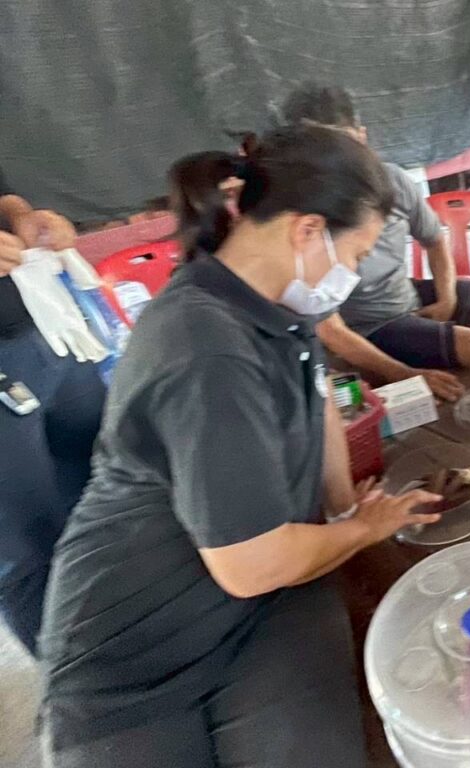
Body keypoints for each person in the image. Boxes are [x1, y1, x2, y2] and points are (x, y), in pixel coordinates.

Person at [38, 125, 441, 768]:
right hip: (138, 654)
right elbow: (249, 563)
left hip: (261, 612)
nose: (354, 274)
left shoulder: (277, 302)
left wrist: (344, 507)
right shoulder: (205, 345)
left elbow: (317, 400)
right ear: (308, 230)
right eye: (358, 254)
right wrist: (363, 530)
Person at [280, 83, 470, 402]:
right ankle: (468, 405)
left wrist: (446, 298)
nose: (343, 162)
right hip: (368, 326)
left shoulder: (391, 180)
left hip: (405, 297)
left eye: (346, 145)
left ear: (362, 136)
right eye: (327, 153)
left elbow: (435, 240)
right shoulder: (308, 218)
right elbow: (330, 330)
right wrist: (405, 374)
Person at [0, 168, 105, 655]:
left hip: (39, 331)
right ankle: (82, 686)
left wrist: (24, 218)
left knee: (109, 489)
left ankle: (135, 643)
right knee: (27, 550)